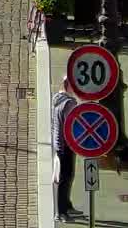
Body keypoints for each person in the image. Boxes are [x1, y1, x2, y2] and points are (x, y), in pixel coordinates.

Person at [51, 77, 79, 219]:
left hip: (58, 143)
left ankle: (67, 206)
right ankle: (61, 212)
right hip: (67, 144)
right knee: (66, 177)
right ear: (69, 86)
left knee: (64, 176)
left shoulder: (56, 98)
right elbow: (72, 125)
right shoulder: (70, 103)